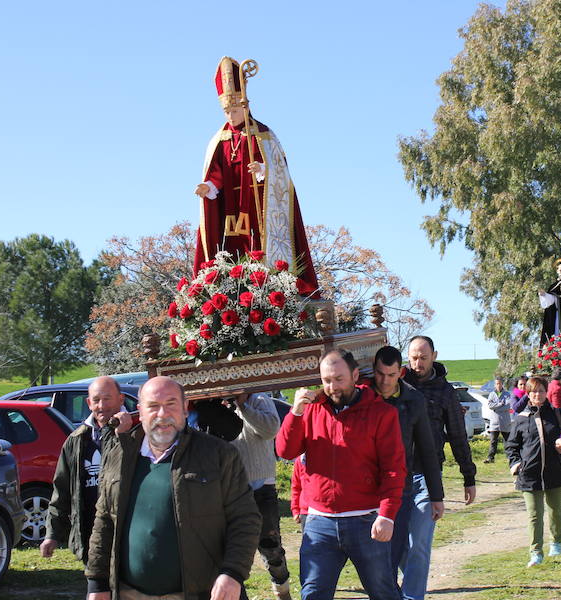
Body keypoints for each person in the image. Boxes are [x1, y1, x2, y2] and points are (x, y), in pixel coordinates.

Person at [85, 376, 261, 600]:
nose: (162, 414)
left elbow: (245, 518)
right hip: (129, 593)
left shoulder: (218, 455)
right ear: (140, 411)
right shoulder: (119, 453)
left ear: (185, 409)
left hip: (198, 593)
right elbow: (104, 519)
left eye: (171, 404)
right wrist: (97, 583)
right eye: (153, 406)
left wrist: (232, 573)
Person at [276, 349, 406, 600]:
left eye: (339, 379)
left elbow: (393, 468)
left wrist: (387, 515)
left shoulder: (382, 414)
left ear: (355, 375)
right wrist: (295, 414)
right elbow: (285, 450)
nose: (332, 386)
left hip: (366, 521)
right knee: (313, 594)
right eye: (326, 380)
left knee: (384, 593)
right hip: (319, 524)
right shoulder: (311, 411)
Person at [193, 56, 318, 295]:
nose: (231, 116)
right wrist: (208, 186)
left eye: (235, 110)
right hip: (229, 210)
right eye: (227, 111)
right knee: (232, 252)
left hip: (259, 207)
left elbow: (280, 171)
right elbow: (217, 172)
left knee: (261, 251)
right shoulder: (218, 140)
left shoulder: (264, 135)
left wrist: (263, 170)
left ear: (246, 106)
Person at [402, 335, 477, 600]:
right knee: (399, 546)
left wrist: (469, 476)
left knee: (418, 544)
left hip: (426, 478)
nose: (417, 363)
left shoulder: (446, 392)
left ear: (434, 355)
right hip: (396, 477)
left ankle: (412, 596)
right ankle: (410, 584)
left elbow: (457, 436)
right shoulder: (396, 385)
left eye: (423, 357)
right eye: (413, 357)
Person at [369, 345, 445, 584]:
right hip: (366, 492)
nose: (385, 381)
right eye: (380, 374)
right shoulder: (363, 395)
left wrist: (436, 495)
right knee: (374, 563)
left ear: (400, 373)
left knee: (392, 556)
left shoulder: (413, 399)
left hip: (398, 490)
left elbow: (427, 449)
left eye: (391, 375)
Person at [41, 377, 132, 564]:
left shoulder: (137, 432)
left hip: (127, 533)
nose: (102, 405)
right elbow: (62, 490)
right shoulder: (76, 440)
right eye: (96, 400)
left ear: (121, 399)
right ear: (89, 403)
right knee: (97, 590)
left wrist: (123, 436)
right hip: (90, 534)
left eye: (108, 399)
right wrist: (52, 533)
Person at [505, 376, 561, 566]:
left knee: (555, 511)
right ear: (528, 393)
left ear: (546, 392)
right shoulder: (521, 419)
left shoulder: (558, 414)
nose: (537, 394)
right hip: (529, 474)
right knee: (534, 515)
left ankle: (556, 542)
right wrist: (516, 464)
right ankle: (536, 552)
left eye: (541, 390)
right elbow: (511, 446)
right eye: (533, 391)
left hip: (557, 472)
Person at [226, 392, 293, 600]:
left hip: (262, 488)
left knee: (271, 548)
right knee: (233, 549)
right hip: (232, 490)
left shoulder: (260, 399)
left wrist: (244, 406)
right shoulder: (217, 405)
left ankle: (282, 590)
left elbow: (271, 429)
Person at [485, 377, 512, 463]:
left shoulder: (507, 394)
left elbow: (508, 406)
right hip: (494, 421)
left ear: (502, 384)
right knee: (493, 441)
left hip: (504, 421)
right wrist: (500, 404)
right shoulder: (492, 394)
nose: (498, 385)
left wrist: (496, 407)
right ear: (495, 384)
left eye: (500, 383)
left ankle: (510, 457)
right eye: (497, 383)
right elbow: (490, 405)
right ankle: (490, 458)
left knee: (507, 441)